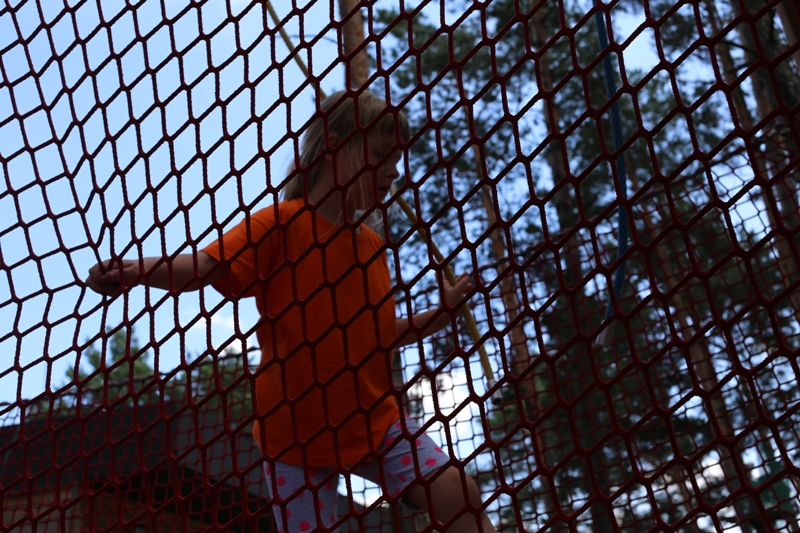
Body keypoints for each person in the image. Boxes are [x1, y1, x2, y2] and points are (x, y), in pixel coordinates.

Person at [86, 90, 497, 533]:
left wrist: (442, 314)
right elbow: (206, 266)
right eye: (381, 156)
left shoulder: (372, 247)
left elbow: (375, 332)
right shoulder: (281, 223)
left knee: (458, 490)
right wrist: (138, 271)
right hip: (294, 437)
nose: (394, 172)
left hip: (372, 421)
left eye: (397, 160)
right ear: (335, 147)